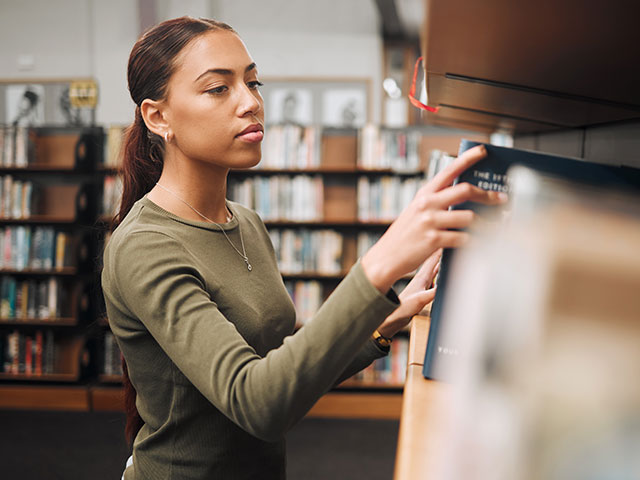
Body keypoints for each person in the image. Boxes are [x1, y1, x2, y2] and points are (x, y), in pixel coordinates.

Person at [101, 16, 506, 480]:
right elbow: (257, 402)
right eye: (218, 88)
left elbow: (283, 371)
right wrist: (379, 264)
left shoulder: (246, 222)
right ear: (158, 116)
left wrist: (381, 322)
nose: (251, 103)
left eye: (253, 83)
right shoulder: (146, 246)